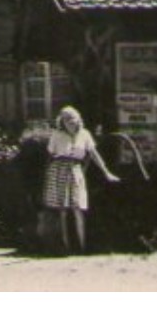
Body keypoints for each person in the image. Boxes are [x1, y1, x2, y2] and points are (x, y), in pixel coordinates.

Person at [41, 105, 120, 254]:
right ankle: (66, 247)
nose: (70, 122)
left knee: (78, 208)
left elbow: (94, 154)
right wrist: (47, 177)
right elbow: (50, 156)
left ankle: (82, 247)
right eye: (66, 119)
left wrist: (106, 172)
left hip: (76, 171)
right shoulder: (56, 135)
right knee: (63, 210)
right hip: (59, 170)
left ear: (78, 119)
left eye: (72, 118)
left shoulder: (85, 134)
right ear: (61, 121)